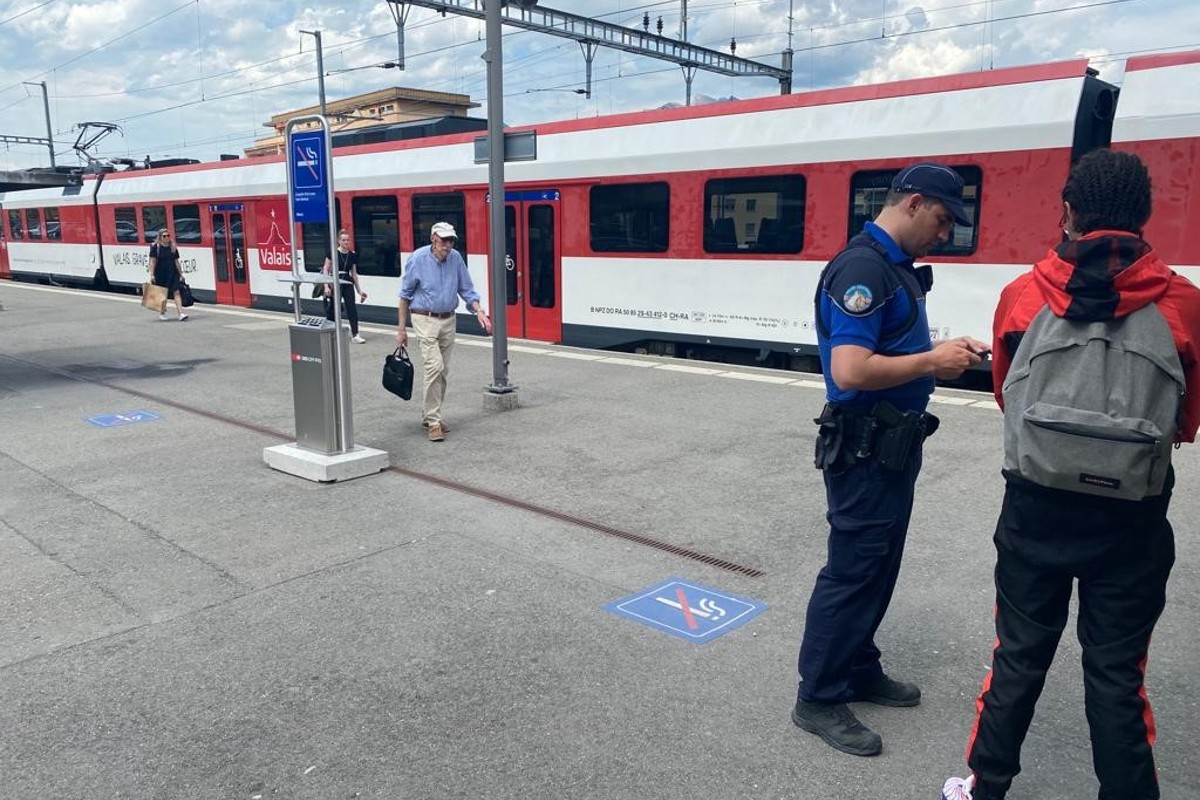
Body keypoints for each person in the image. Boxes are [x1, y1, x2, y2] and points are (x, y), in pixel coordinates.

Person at [940, 150, 1200, 800]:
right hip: (1132, 524)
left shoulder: (1023, 297)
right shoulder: (1184, 305)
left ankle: (984, 787)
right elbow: (1186, 422)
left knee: (1018, 658)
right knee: (1116, 675)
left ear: (1067, 214)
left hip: (1034, 513)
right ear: (1144, 217)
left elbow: (1009, 400)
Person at [792, 162, 988, 756]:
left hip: (891, 443)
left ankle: (859, 665)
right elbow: (850, 370)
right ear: (913, 203)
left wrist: (939, 354)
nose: (945, 233)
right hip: (865, 445)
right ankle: (818, 696)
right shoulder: (862, 269)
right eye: (941, 218)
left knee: (879, 564)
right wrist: (933, 361)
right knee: (854, 569)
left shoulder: (891, 268)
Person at [396, 222, 492, 442]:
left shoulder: (456, 258)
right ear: (433, 239)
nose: (448, 246)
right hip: (424, 318)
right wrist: (401, 329)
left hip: (449, 318)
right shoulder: (418, 259)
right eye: (444, 241)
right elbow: (404, 296)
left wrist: (479, 311)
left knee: (443, 371)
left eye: (451, 241)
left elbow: (466, 289)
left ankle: (430, 413)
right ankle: (433, 421)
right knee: (434, 366)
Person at [323, 229, 368, 343]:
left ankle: (355, 334)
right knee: (333, 307)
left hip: (347, 282)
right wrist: (326, 286)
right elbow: (326, 269)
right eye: (343, 240)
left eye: (348, 240)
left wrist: (359, 290)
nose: (346, 242)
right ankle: (330, 332)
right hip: (335, 281)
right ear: (339, 241)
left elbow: (354, 273)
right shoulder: (333, 253)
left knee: (351, 308)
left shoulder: (352, 255)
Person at [149, 229, 188, 321]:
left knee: (177, 291)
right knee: (163, 294)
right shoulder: (156, 247)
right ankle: (162, 313)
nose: (167, 237)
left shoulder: (173, 247)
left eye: (168, 235)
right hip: (161, 273)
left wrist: (181, 274)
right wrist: (152, 274)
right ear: (160, 237)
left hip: (173, 273)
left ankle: (180, 313)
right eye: (164, 236)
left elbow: (176, 261)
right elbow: (152, 261)